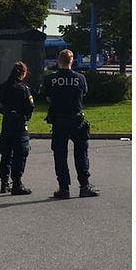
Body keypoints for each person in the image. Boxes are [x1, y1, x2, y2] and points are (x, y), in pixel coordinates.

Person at [43, 49, 98, 199]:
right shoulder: (80, 78)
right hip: (76, 120)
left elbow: (48, 98)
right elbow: (83, 94)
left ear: (59, 61)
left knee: (60, 155)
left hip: (59, 120)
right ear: (72, 61)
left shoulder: (51, 79)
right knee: (81, 153)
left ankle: (64, 188)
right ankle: (84, 186)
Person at [0, 61, 34, 195]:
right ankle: (17, 184)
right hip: (19, 124)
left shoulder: (5, 86)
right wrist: (24, 116)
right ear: (23, 73)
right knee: (20, 153)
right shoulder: (23, 88)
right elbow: (30, 107)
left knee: (6, 154)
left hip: (7, 123)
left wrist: (4, 111)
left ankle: (4, 182)